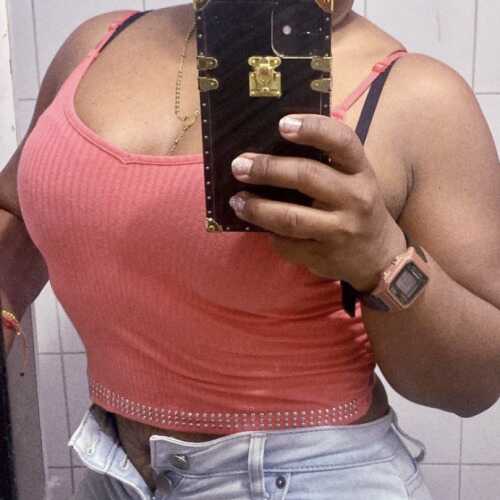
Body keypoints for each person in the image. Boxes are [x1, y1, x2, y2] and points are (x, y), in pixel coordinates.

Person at [1, 1, 499, 499]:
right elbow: (21, 210)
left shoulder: (420, 97)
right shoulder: (94, 45)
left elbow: (473, 384)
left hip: (306, 481)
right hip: (114, 474)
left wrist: (381, 259)